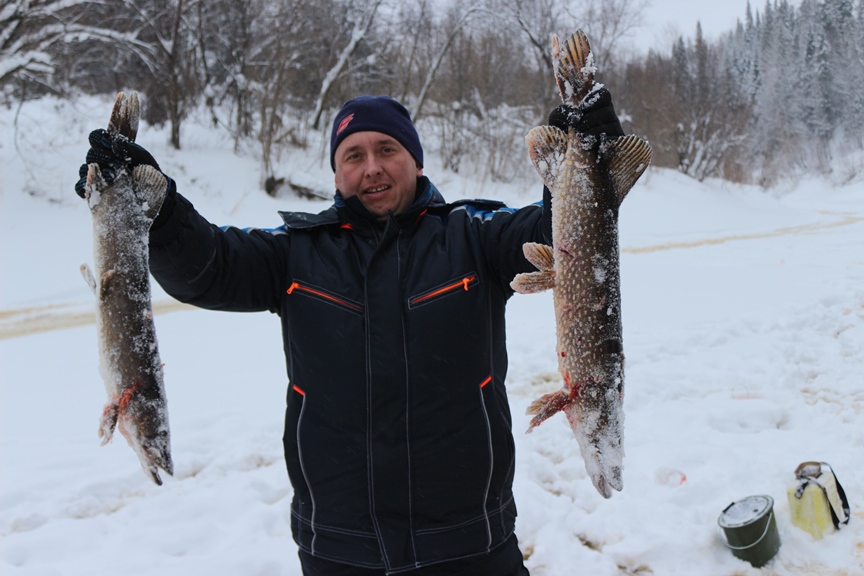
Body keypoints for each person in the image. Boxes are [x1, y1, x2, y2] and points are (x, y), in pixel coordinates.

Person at [76, 91, 623, 575]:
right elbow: (207, 266)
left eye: (387, 149)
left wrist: (587, 162)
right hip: (339, 549)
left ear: (415, 160)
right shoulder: (295, 252)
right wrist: (160, 212)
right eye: (353, 156)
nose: (372, 168)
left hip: (470, 544)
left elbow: (561, 234)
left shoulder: (474, 236)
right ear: (337, 174)